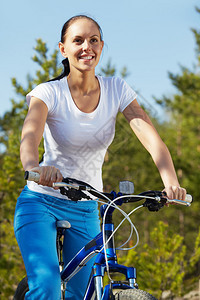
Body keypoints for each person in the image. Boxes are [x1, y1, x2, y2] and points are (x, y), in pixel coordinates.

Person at [14, 14, 187, 300]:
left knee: (81, 293)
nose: (87, 47)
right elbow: (29, 136)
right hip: (41, 200)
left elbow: (149, 135)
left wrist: (170, 182)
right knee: (46, 286)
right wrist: (35, 166)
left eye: (93, 40)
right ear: (63, 48)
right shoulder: (49, 92)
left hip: (85, 207)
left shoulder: (116, 89)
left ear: (102, 46)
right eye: (78, 40)